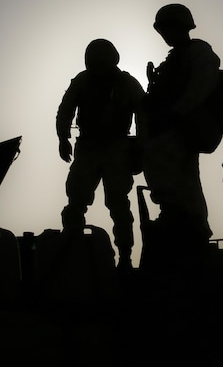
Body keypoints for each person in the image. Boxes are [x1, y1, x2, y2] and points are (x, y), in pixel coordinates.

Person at [140, 3, 221, 270]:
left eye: (169, 27)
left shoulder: (198, 52)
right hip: (165, 133)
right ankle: (175, 220)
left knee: (186, 187)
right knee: (169, 185)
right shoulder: (172, 60)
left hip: (181, 131)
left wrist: (177, 113)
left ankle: (192, 229)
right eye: (162, 29)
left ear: (184, 27)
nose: (165, 33)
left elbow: (203, 84)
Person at [56, 38, 145, 271]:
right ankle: (72, 250)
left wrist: (142, 148)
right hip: (89, 147)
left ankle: (124, 256)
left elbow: (144, 113)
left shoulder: (126, 83)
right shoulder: (83, 81)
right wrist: (63, 137)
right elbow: (65, 109)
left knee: (117, 203)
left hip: (116, 147)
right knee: (77, 201)